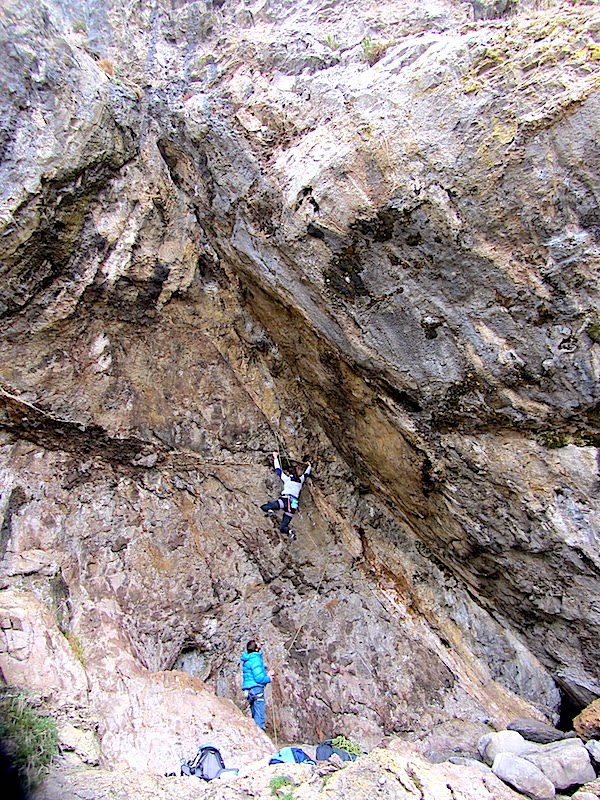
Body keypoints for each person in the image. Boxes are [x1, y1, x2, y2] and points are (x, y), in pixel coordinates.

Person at [260, 452, 311, 539]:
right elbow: (306, 474)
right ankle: (290, 531)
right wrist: (309, 466)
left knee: (264, 507)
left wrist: (275, 457)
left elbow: (278, 469)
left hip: (286, 500)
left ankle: (271, 511)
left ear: (289, 473)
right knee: (282, 527)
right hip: (293, 504)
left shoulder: (287, 479)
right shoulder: (300, 481)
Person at [240, 639, 273, 729]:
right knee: (259, 716)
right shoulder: (255, 659)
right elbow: (258, 678)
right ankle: (260, 735)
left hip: (249, 690)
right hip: (256, 689)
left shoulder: (248, 659)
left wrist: (267, 675)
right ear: (256, 649)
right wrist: (268, 678)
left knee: (254, 713)